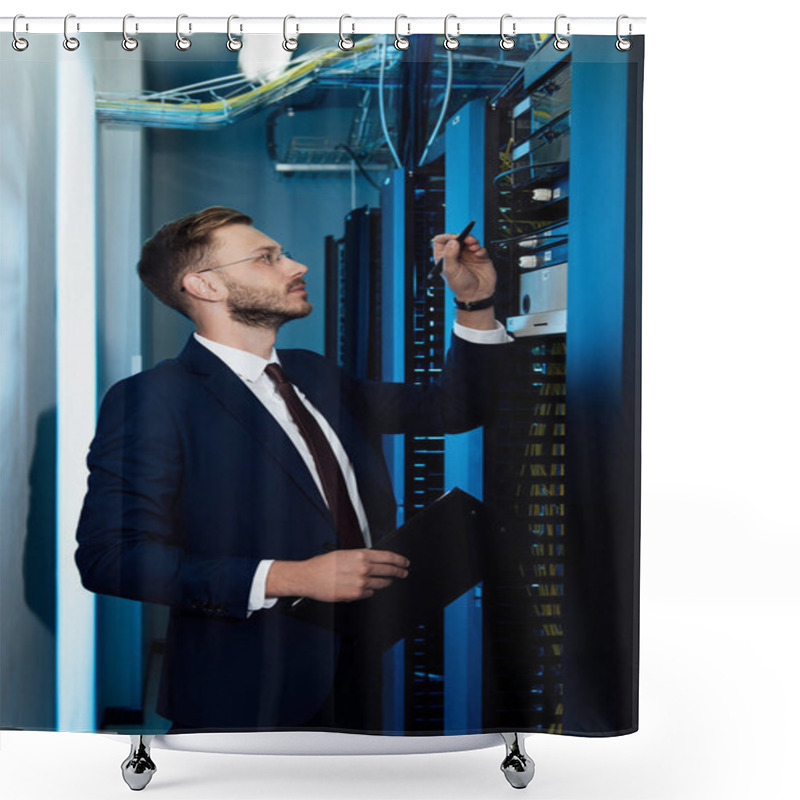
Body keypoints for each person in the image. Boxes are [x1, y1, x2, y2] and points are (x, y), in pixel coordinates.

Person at [75, 206, 512, 733]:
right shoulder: (153, 399)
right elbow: (111, 558)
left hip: (358, 667)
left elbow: (455, 408)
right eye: (268, 257)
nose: (298, 265)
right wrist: (292, 577)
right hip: (241, 693)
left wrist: (475, 300)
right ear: (204, 285)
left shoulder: (312, 372)